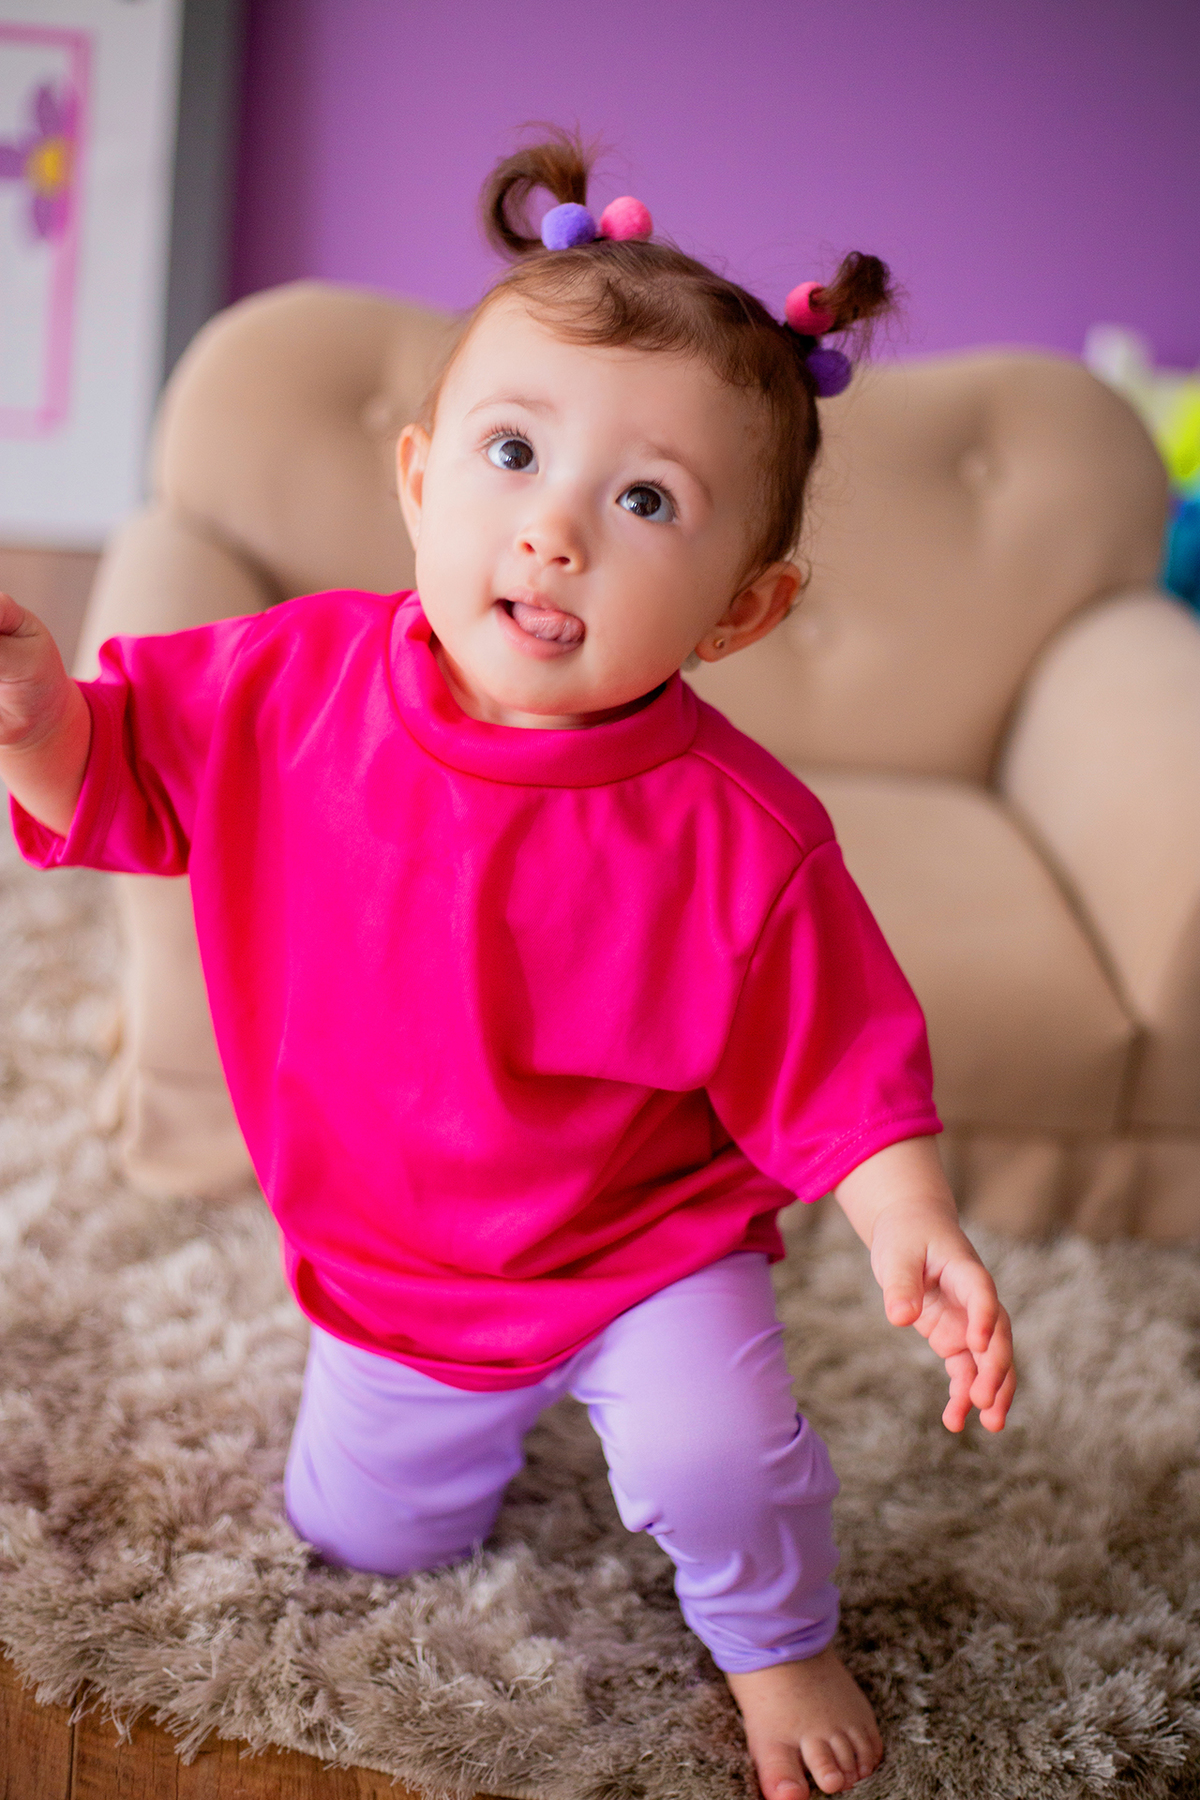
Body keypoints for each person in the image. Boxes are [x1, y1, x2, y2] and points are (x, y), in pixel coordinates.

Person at [0, 131, 1014, 1800]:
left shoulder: (741, 834)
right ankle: (450, 1431)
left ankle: (779, 1641)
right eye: (515, 453)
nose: (554, 532)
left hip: (640, 1241)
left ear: (741, 612)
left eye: (644, 501)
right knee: (362, 1537)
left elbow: (841, 1053)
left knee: (722, 1459)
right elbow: (117, 777)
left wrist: (912, 1217)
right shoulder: (291, 687)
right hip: (395, 1259)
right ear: (419, 480)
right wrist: (42, 721)